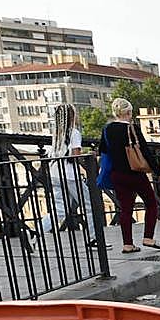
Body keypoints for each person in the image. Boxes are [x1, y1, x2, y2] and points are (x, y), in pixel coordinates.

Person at [99, 97, 160, 254]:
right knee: (151, 203)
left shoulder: (107, 129)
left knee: (125, 209)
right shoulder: (132, 128)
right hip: (135, 173)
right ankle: (148, 237)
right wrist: (159, 173)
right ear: (128, 112)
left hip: (117, 174)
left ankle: (127, 244)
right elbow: (145, 152)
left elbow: (103, 150)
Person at [44, 102, 105, 248]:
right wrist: (89, 155)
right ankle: (93, 238)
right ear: (71, 116)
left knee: (60, 208)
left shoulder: (56, 134)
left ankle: (36, 232)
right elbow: (75, 156)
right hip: (70, 175)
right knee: (89, 205)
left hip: (55, 173)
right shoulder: (74, 132)